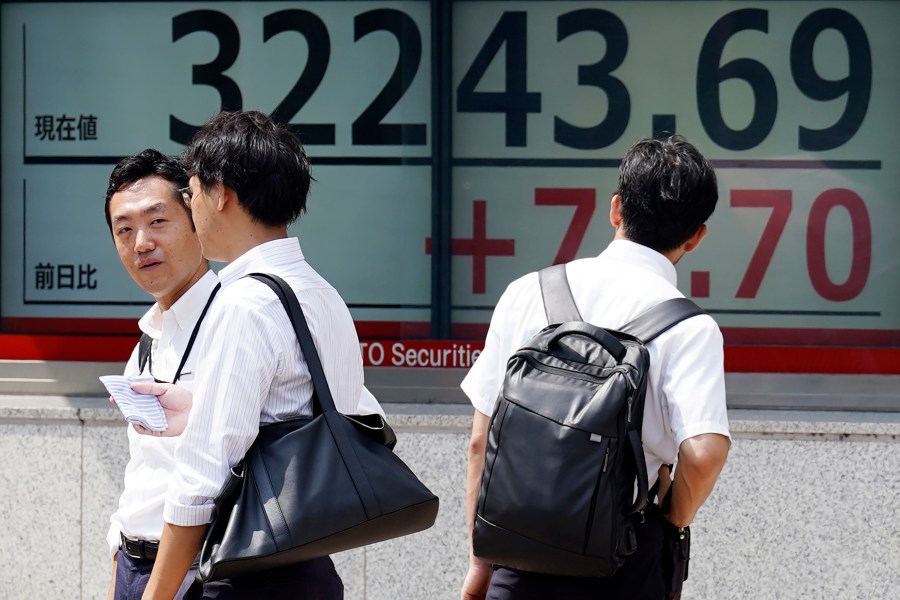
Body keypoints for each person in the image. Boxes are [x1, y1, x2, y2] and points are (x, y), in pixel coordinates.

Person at [459, 135, 732, 599]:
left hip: (520, 549)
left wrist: (480, 561)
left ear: (615, 209)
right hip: (626, 556)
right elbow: (704, 453)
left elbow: (482, 442)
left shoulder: (528, 292)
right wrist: (674, 517)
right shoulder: (689, 326)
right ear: (697, 236)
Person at [132, 110, 366, 599]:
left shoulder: (243, 303)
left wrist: (154, 594)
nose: (191, 210)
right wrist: (200, 407)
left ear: (221, 194)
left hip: (245, 573)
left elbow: (201, 478)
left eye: (191, 194)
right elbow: (326, 417)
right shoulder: (322, 293)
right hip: (308, 565)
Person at [103, 148, 217, 599]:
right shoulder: (148, 336)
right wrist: (119, 564)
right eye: (124, 230)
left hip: (205, 570)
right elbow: (144, 470)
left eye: (158, 221)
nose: (141, 243)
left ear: (198, 220)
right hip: (136, 566)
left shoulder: (238, 320)